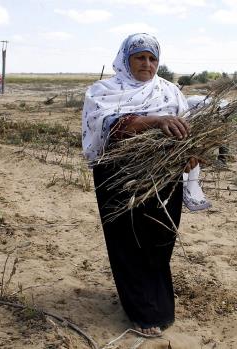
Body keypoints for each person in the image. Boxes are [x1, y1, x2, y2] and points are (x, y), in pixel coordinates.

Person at [82, 33, 204, 337]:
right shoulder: (103, 91)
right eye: (140, 57)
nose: (147, 64)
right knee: (128, 239)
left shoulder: (170, 91)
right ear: (126, 59)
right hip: (118, 176)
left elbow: (186, 130)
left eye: (152, 59)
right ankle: (139, 310)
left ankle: (158, 303)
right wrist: (154, 121)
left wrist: (189, 155)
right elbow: (105, 125)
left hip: (164, 177)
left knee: (161, 235)